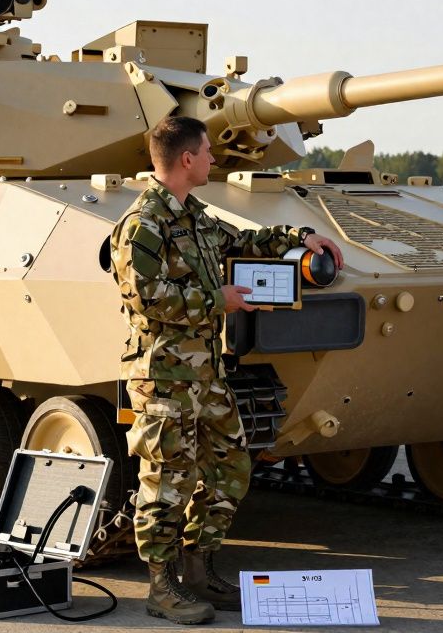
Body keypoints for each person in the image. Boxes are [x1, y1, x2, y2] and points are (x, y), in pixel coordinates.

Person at [110, 116, 342, 624]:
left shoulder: (193, 216)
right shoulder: (143, 223)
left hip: (206, 376)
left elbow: (243, 241)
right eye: (208, 152)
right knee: (168, 479)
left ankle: (199, 568)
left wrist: (302, 237)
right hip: (164, 377)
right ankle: (160, 586)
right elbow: (145, 299)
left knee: (231, 467)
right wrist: (222, 300)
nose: (215, 159)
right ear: (186, 159)